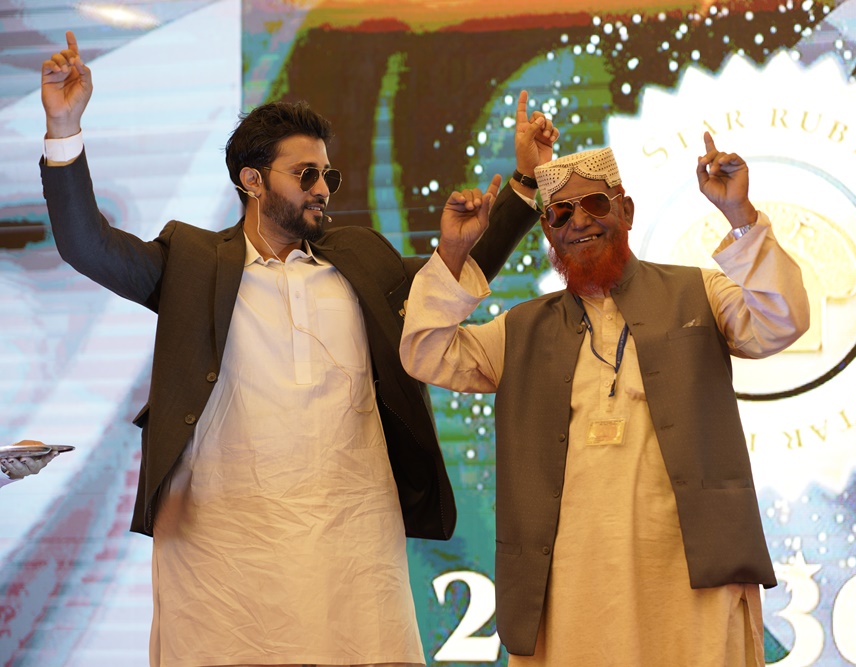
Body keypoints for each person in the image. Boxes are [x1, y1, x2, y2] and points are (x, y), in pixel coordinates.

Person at [39, 31, 558, 667]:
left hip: (351, 546)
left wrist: (524, 182)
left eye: (327, 175)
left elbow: (449, 281)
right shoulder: (193, 262)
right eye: (305, 174)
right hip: (221, 555)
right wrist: (63, 128)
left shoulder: (360, 260)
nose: (322, 188)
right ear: (252, 181)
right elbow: (87, 246)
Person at [400, 138, 810, 665]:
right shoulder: (521, 330)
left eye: (594, 203)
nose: (579, 222)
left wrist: (739, 215)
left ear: (626, 210)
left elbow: (782, 320)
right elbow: (425, 352)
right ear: (547, 231)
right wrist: (454, 254)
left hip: (691, 581)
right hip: (569, 588)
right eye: (560, 213)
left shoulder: (699, 294)